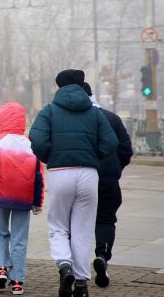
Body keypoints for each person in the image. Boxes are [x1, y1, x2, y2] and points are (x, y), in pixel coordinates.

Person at [29, 69, 118, 297]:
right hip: (88, 174)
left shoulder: (49, 111)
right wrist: (93, 156)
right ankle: (81, 284)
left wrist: (51, 157)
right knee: (83, 229)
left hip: (60, 172)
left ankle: (64, 264)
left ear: (59, 87)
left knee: (58, 225)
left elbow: (37, 140)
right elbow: (111, 142)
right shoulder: (94, 113)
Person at [0, 102, 44, 296]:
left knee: (0, 231)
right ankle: (18, 281)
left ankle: (2, 268)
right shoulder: (31, 142)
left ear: (1, 119)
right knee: (20, 239)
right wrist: (38, 201)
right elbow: (38, 175)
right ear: (22, 120)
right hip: (24, 196)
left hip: (1, 194)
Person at [79, 82, 133, 289]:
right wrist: (115, 167)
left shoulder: (74, 119)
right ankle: (102, 255)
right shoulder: (112, 118)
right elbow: (126, 150)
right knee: (105, 220)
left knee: (77, 222)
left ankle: (76, 266)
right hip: (108, 179)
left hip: (81, 176)